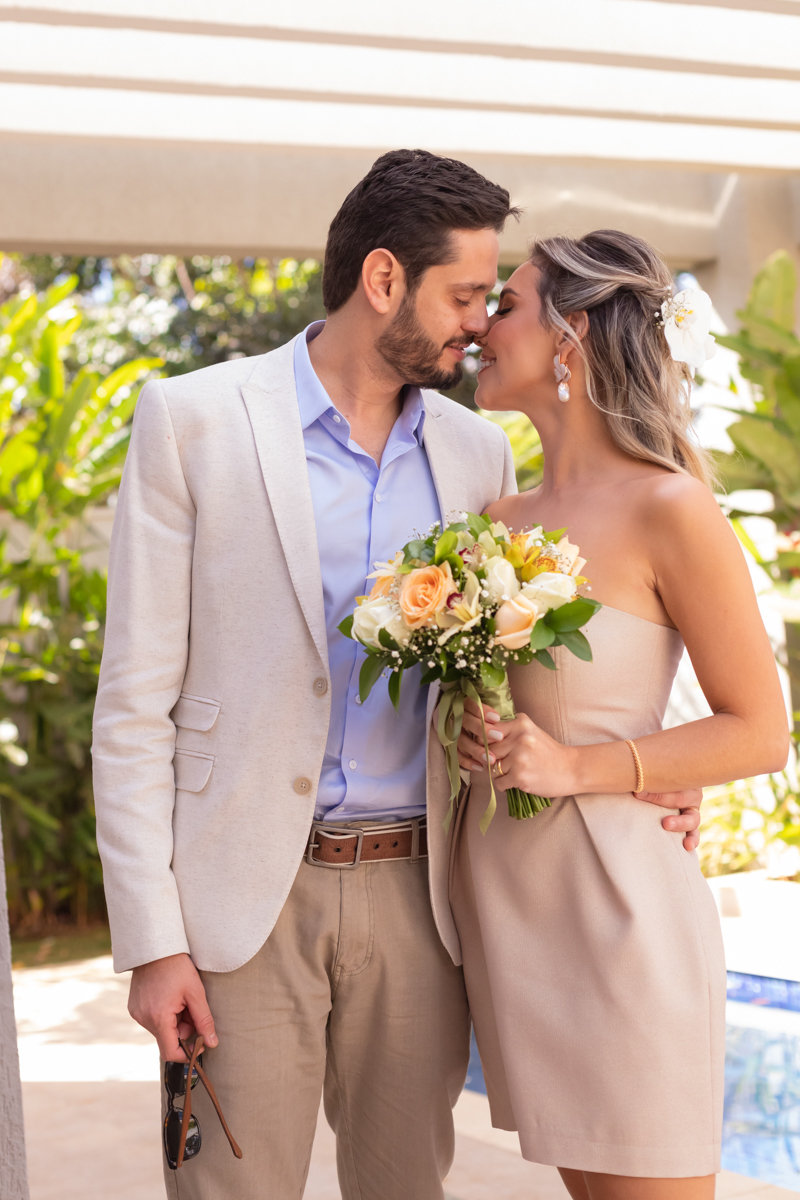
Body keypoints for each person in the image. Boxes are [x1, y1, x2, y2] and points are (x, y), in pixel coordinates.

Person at [92, 153, 703, 1200]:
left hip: (425, 898)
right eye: (464, 295)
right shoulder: (192, 421)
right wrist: (154, 945)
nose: (477, 322)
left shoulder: (479, 457)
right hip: (243, 905)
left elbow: (572, 610)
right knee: (224, 1185)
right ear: (384, 280)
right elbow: (134, 704)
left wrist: (662, 758)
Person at [450, 230, 790, 1200]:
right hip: (517, 923)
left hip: (623, 919)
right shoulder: (493, 522)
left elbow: (758, 730)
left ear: (573, 333)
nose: (480, 326)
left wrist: (572, 769)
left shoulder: (668, 507)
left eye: (505, 305)